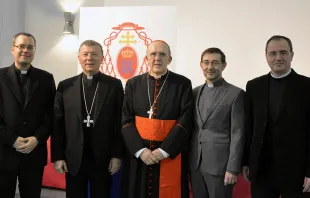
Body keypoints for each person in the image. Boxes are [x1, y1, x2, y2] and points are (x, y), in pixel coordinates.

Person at [51, 40, 124, 198]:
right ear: (79, 58)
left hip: (103, 158)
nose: (89, 58)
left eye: (94, 54)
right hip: (73, 158)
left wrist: (117, 155)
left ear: (102, 58)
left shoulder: (114, 86)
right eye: (85, 54)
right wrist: (58, 157)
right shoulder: (65, 86)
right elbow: (57, 125)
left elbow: (120, 123)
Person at [121, 40, 193, 198]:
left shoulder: (182, 84)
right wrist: (140, 151)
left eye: (162, 54)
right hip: (140, 155)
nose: (157, 58)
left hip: (168, 153)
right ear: (146, 58)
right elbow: (126, 120)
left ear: (170, 59)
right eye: (153, 54)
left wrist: (165, 150)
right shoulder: (133, 84)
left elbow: (186, 120)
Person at [242, 35, 310, 198]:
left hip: (296, 170)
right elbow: (248, 127)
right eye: (272, 53)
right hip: (262, 169)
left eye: (283, 52)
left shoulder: (307, 86)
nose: (278, 57)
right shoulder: (253, 86)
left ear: (291, 55)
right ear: (266, 56)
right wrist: (245, 161)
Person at [0, 32, 56, 198]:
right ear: (12, 49)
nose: (26, 50)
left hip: (34, 153)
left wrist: (37, 138)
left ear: (34, 50)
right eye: (21, 46)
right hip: (4, 152)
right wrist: (12, 139)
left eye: (30, 47)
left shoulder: (46, 78)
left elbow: (51, 114)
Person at [189, 47, 244, 198]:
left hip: (220, 167)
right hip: (195, 164)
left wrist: (232, 168)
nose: (210, 67)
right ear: (201, 65)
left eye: (215, 63)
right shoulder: (193, 93)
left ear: (223, 65)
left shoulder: (236, 94)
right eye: (206, 62)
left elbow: (238, 133)